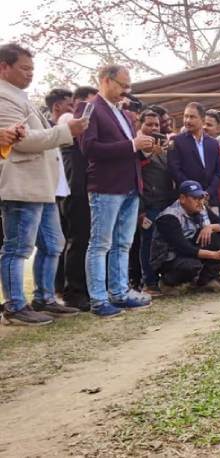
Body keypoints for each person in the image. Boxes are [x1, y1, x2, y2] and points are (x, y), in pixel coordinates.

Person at [0, 43, 89, 325]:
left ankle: (45, 297)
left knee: (53, 243)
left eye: (32, 69)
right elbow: (22, 142)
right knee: (18, 247)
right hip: (22, 183)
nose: (30, 74)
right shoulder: (3, 97)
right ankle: (15, 305)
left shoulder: (19, 96)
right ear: (4, 67)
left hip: (43, 185)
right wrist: (66, 131)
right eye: (24, 68)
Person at [79, 64, 155, 317]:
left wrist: (141, 147)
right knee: (100, 244)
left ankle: (119, 292)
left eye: (127, 86)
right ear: (105, 81)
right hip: (106, 186)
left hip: (130, 184)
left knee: (123, 243)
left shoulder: (122, 113)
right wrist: (132, 144)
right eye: (122, 85)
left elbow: (128, 148)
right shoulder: (90, 108)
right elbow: (89, 149)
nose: (125, 90)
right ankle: (99, 299)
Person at [55, 86, 98, 310]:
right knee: (77, 238)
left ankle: (78, 288)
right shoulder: (68, 118)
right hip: (74, 186)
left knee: (83, 238)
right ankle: (74, 292)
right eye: (91, 104)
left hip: (83, 185)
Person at [150, 180, 220, 292]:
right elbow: (183, 248)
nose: (199, 201)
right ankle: (168, 282)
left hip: (190, 248)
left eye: (201, 197)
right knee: (192, 266)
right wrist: (215, 255)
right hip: (168, 257)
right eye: (195, 198)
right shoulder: (169, 217)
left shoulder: (202, 209)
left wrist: (211, 227)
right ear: (183, 198)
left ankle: (207, 281)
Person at [138, 110, 176, 296]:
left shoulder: (163, 147)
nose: (154, 128)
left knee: (163, 242)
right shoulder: (137, 150)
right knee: (147, 243)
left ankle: (163, 279)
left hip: (165, 203)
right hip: (147, 205)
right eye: (149, 124)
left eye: (156, 125)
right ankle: (149, 282)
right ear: (140, 126)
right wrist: (141, 210)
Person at [45, 88, 75, 298]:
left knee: (57, 243)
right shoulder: (48, 129)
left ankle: (54, 291)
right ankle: (50, 291)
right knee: (49, 244)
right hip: (44, 191)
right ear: (57, 107)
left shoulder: (58, 130)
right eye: (70, 106)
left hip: (61, 192)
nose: (74, 111)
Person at [168, 102, 220, 209]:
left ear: (202, 120)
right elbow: (174, 170)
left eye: (192, 117)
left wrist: (208, 193)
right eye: (186, 116)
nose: (187, 120)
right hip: (187, 200)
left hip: (210, 200)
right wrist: (194, 191)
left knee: (213, 225)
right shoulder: (176, 141)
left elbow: (218, 172)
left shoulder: (213, 143)